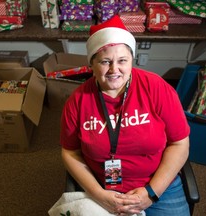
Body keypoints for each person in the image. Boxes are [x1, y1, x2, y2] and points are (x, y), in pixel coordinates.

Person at [60, 15, 190, 216]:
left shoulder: (157, 88)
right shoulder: (77, 101)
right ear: (91, 65)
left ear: (132, 60)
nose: (114, 70)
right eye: (105, 61)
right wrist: (98, 193)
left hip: (158, 186)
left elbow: (180, 143)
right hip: (102, 188)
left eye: (122, 60)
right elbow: (70, 152)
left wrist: (151, 193)